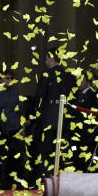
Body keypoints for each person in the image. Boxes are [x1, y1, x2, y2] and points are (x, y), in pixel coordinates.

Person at [25, 48, 73, 182]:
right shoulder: (68, 75)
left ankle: (47, 179)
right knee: (61, 152)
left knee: (45, 151)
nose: (45, 61)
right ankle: (62, 180)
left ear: (51, 59)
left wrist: (33, 116)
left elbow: (40, 98)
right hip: (64, 118)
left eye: (46, 58)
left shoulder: (47, 75)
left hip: (48, 118)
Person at [0, 69, 24, 187]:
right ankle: (0, 183)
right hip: (0, 129)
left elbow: (21, 112)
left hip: (14, 128)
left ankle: (12, 183)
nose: (9, 80)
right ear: (1, 78)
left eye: (11, 78)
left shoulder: (15, 93)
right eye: (7, 77)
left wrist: (22, 129)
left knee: (13, 157)